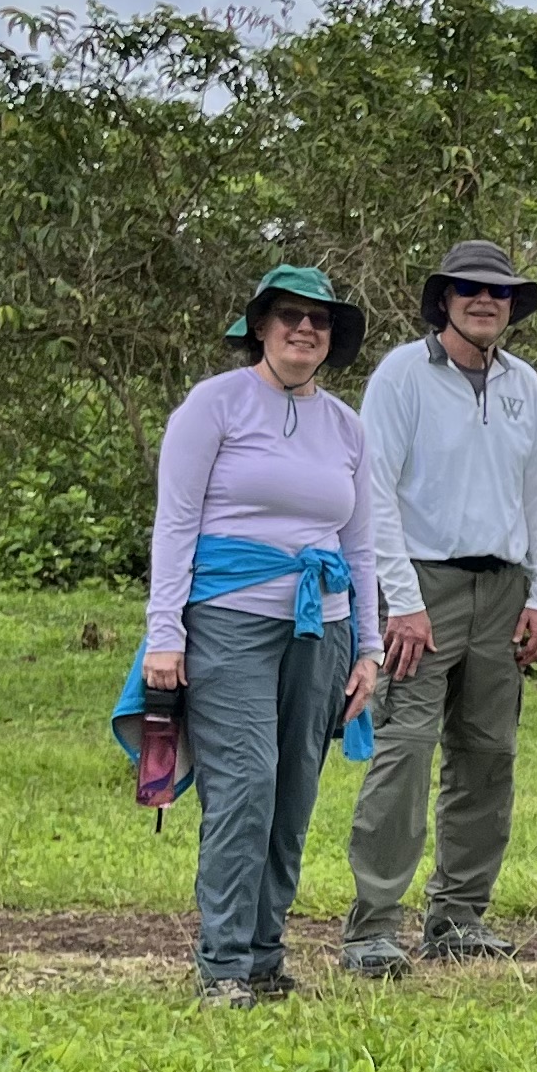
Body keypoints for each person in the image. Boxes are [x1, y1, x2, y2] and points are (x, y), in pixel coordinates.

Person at [132, 266, 383, 1006]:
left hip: (322, 627)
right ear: (261, 326)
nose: (305, 329)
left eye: (320, 320)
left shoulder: (347, 426)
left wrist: (367, 648)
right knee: (243, 784)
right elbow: (175, 523)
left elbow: (360, 544)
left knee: (293, 789)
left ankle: (267, 954)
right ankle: (223, 963)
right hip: (230, 620)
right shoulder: (216, 405)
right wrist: (164, 634)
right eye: (290, 316)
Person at [341, 239, 537, 977]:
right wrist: (400, 602)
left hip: (503, 586)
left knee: (489, 755)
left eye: (498, 293)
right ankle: (373, 925)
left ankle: (458, 917)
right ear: (444, 299)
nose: (485, 301)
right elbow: (373, 493)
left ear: (511, 306)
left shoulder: (523, 384)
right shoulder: (403, 375)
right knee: (405, 749)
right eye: (469, 289)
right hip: (424, 585)